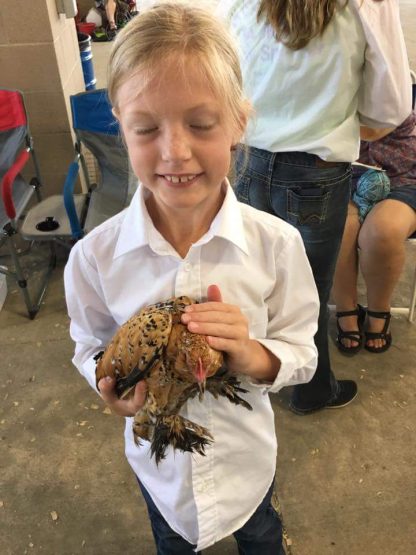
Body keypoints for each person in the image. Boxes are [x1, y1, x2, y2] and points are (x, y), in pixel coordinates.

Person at [64, 4, 320, 553]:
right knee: (173, 543)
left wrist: (252, 354)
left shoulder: (277, 246)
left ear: (237, 123)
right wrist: (108, 384)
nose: (174, 151)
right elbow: (87, 343)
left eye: (200, 125)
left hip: (248, 461)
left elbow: (303, 349)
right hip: (165, 478)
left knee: (262, 534)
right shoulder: (94, 258)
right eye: (146, 127)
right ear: (120, 123)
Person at [216, 0, 412, 414]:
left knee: (256, 282)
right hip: (315, 171)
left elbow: (223, 74)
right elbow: (391, 107)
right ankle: (312, 388)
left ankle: (251, 381)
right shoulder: (367, 5)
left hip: (250, 160)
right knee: (309, 292)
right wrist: (332, 115)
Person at [333, 111, 416, 354]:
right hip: (340, 178)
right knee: (338, 228)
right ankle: (345, 309)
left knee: (383, 232)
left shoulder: (392, 87)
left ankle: (379, 309)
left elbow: (381, 123)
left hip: (402, 180)